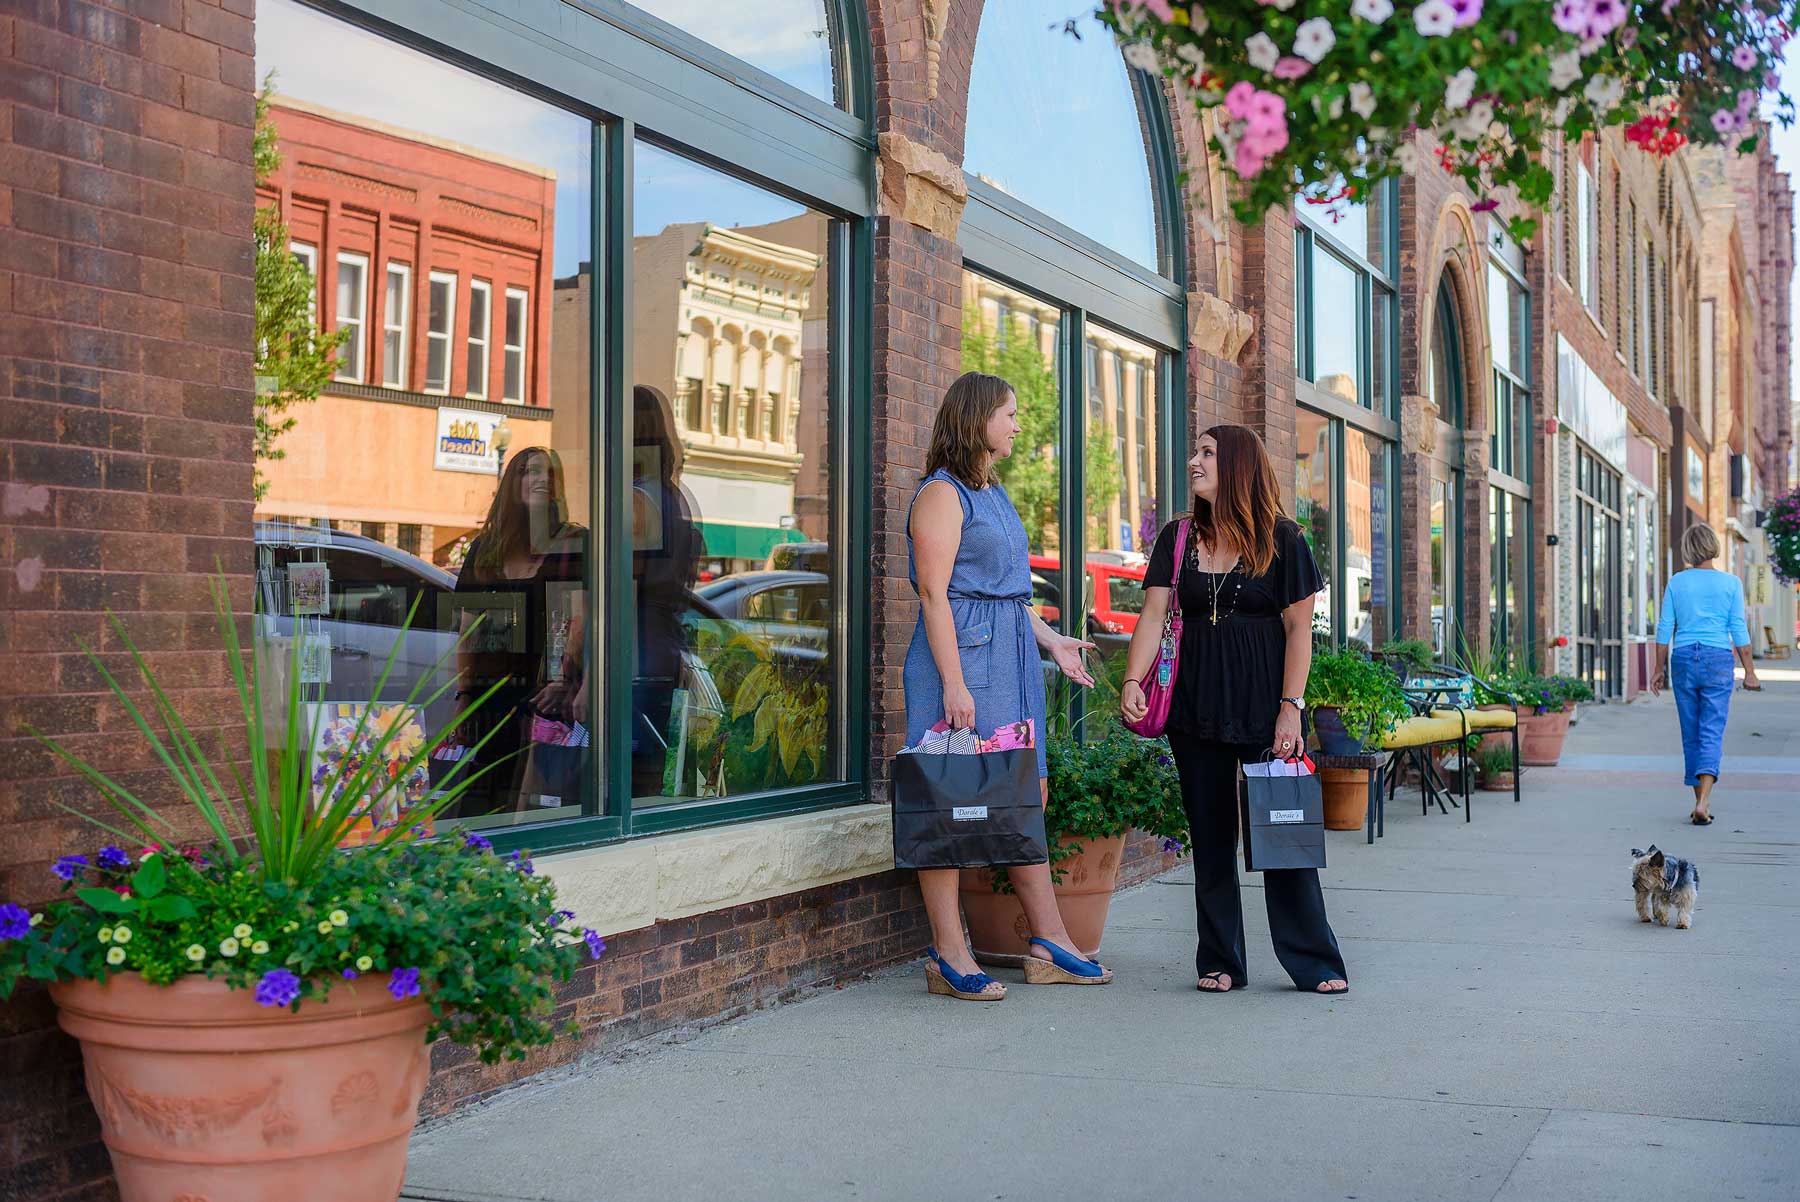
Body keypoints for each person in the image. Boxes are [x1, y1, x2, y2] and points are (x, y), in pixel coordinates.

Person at [1120, 425, 1349, 996]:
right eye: (1194, 450)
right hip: (1193, 709)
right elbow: (1153, 615)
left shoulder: (1284, 540)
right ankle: (1220, 959)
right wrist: (1131, 678)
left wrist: (1291, 709)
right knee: (1211, 837)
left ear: (1239, 466)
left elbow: (1300, 632)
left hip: (1264, 710)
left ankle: (1315, 960)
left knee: (1282, 834)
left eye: (1206, 453)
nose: (1193, 462)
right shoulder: (1177, 539)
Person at [904, 371, 1108, 1000]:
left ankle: (1048, 938)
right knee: (951, 800)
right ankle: (948, 952)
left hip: (1012, 660)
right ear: (978, 419)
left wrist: (1054, 644)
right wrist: (954, 685)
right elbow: (935, 597)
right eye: (1011, 414)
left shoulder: (990, 491)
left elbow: (1010, 596)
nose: (1018, 424)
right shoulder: (941, 495)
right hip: (964, 663)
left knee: (1024, 796)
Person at [449, 446, 590, 818]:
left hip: (546, 701)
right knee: (479, 806)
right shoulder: (485, 549)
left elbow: (580, 620)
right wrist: (464, 698)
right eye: (530, 471)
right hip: (490, 699)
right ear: (513, 484)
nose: (541, 479)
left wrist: (566, 680)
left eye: (549, 473)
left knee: (533, 808)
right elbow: (469, 630)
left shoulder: (573, 545)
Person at [1650, 521, 1762, 825]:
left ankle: (1700, 801)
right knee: (1711, 730)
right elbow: (1738, 628)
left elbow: (1664, 629)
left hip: (1684, 657)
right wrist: (1750, 671)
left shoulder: (1677, 582)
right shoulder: (1731, 583)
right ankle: (1704, 801)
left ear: (1688, 549)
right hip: (1717, 659)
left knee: (1691, 733)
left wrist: (1658, 669)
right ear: (1713, 546)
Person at [629, 385, 704, 798]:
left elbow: (622, 582)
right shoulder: (675, 497)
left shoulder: (637, 499)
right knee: (650, 773)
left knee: (629, 774)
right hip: (664, 644)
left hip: (636, 644)